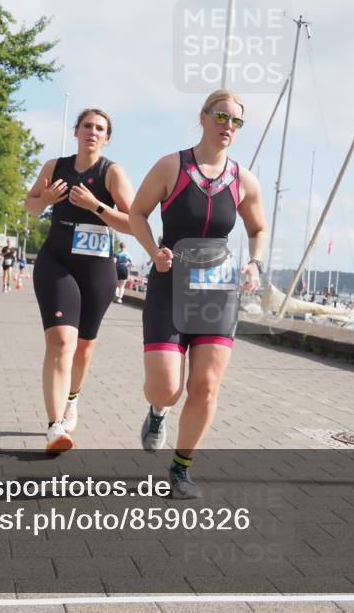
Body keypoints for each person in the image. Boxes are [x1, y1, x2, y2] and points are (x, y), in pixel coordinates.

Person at [129, 89, 266, 499]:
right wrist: (155, 252)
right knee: (165, 387)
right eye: (222, 117)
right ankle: (158, 412)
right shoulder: (172, 166)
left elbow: (257, 229)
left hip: (217, 292)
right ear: (204, 117)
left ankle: (181, 469)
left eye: (236, 122)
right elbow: (137, 213)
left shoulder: (244, 180)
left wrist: (254, 263)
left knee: (205, 386)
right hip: (170, 285)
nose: (228, 127)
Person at [25, 108, 135, 453]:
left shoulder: (112, 173)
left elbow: (133, 222)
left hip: (97, 268)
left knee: (84, 347)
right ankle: (55, 426)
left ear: (107, 137)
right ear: (76, 131)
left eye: (100, 128)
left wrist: (95, 206)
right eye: (87, 125)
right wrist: (45, 200)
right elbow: (29, 205)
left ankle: (72, 399)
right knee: (60, 342)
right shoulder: (54, 166)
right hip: (56, 261)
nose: (92, 131)